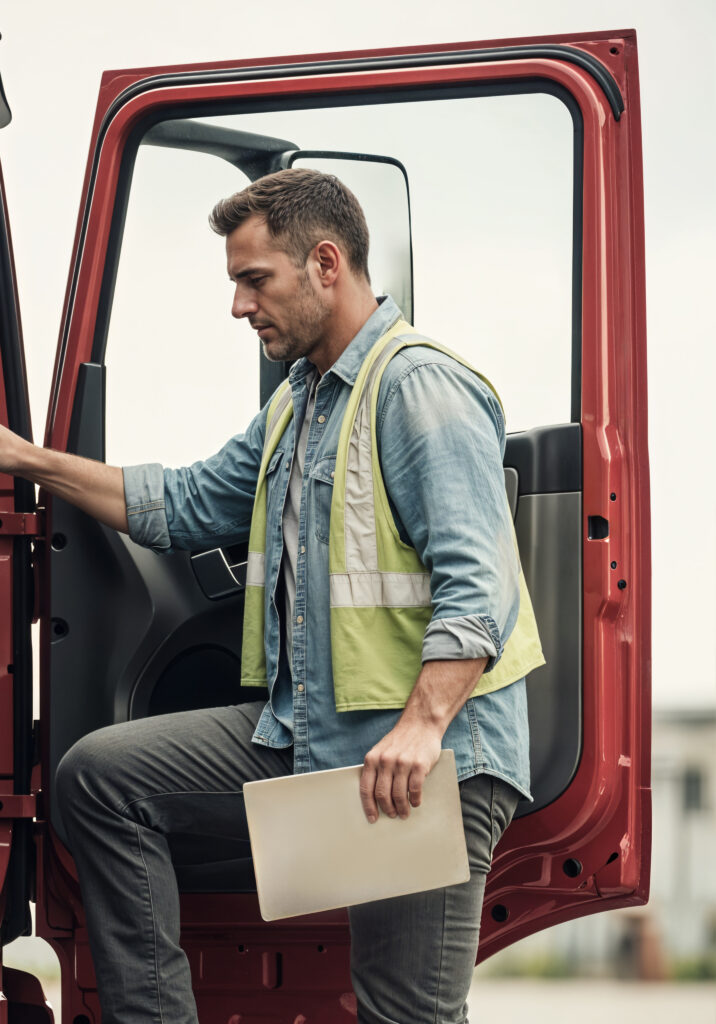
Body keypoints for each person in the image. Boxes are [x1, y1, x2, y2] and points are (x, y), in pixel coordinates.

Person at [0, 168, 543, 1024]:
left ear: (326, 263)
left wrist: (420, 729)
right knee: (103, 782)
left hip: (427, 762)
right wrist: (25, 459)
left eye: (255, 280)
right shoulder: (300, 403)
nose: (239, 306)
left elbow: (480, 586)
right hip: (317, 740)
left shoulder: (416, 387)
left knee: (404, 1013)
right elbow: (182, 504)